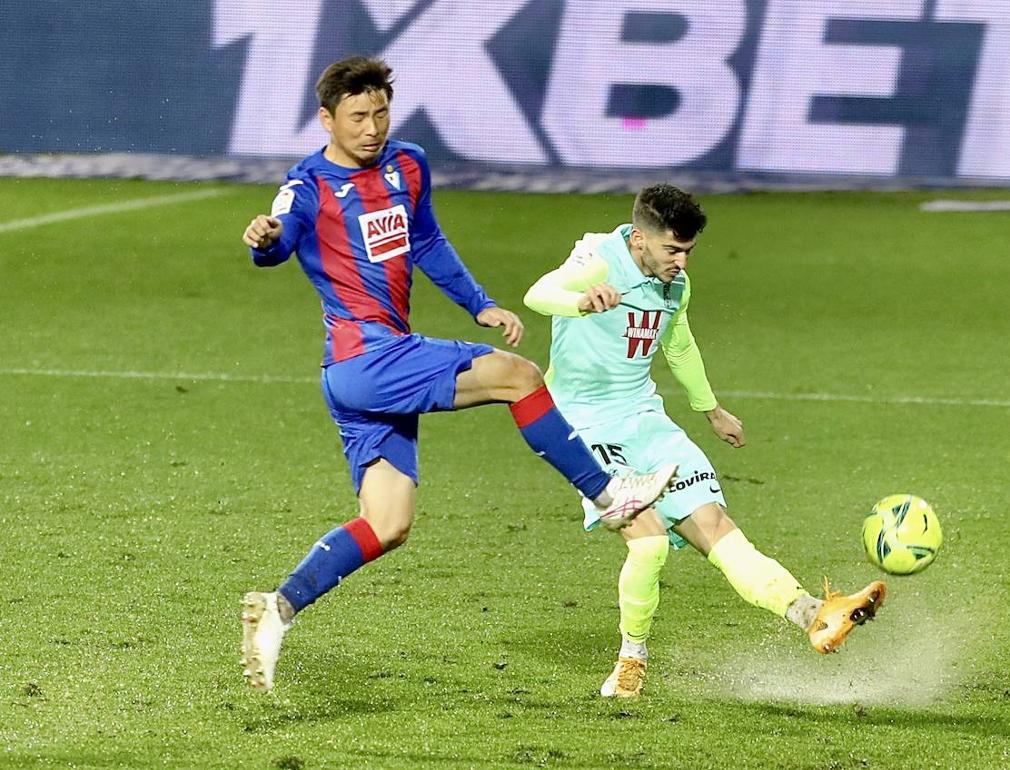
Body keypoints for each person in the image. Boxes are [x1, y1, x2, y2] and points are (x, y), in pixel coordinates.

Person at [237, 56, 675, 693]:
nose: (373, 127)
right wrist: (265, 239)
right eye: (358, 116)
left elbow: (427, 241)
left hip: (361, 375)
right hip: (371, 359)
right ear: (326, 117)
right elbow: (279, 241)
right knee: (520, 377)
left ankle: (278, 609)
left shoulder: (407, 164)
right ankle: (612, 498)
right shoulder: (307, 185)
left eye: (381, 112)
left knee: (388, 523)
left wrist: (481, 303)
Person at [523, 183, 886, 698]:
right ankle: (632, 659)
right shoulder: (598, 258)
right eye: (672, 250)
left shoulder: (675, 285)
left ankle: (814, 615)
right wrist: (581, 300)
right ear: (640, 241)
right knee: (647, 543)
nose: (682, 262)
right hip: (584, 426)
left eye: (688, 251)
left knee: (717, 528)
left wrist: (710, 410)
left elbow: (679, 342)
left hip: (645, 420)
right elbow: (538, 294)